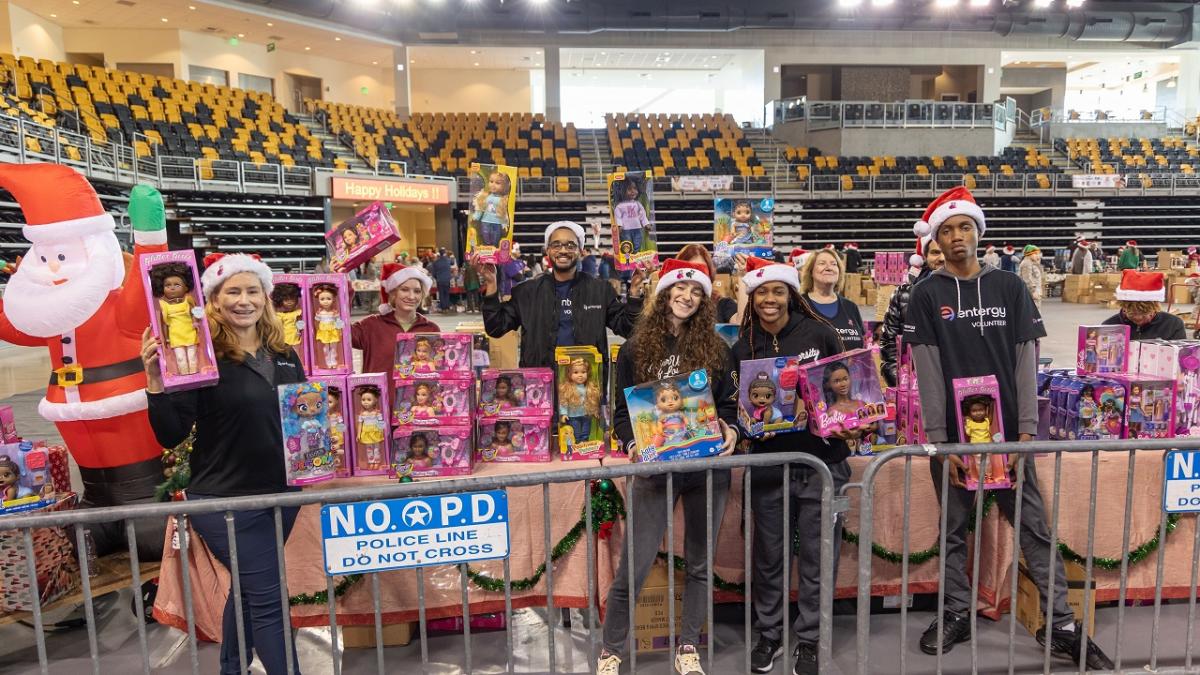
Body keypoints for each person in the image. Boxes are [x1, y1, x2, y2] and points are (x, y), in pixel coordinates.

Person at [904, 187, 1113, 669]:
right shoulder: (927, 295)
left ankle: (1060, 623)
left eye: (965, 227)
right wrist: (942, 442)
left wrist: (1023, 434)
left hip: (1008, 439)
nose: (957, 237)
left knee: (1033, 528)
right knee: (954, 528)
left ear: (979, 232)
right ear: (936, 237)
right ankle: (957, 611)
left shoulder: (1010, 287)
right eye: (947, 230)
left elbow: (1025, 361)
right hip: (957, 438)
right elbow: (927, 372)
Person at [142, 253, 306, 674]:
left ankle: (231, 668)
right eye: (232, 291)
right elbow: (171, 434)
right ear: (212, 299)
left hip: (283, 494)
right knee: (268, 597)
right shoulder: (202, 356)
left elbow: (301, 418)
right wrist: (156, 383)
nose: (244, 300)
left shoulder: (285, 353)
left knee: (249, 591)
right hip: (225, 499)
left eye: (253, 291)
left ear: (266, 298)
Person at [597, 259, 740, 675]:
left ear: (704, 300)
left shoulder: (717, 349)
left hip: (705, 470)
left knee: (700, 565)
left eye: (696, 291)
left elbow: (729, 405)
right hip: (655, 471)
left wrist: (730, 430)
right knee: (634, 566)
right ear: (663, 295)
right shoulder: (636, 348)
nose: (687, 297)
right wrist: (630, 443)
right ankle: (611, 649)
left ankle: (688, 645)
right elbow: (622, 412)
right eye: (680, 289)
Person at [734, 257, 856, 675]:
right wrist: (744, 427)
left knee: (820, 556)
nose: (770, 299)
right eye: (762, 292)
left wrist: (848, 420)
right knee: (769, 557)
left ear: (791, 294)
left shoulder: (820, 332)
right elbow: (734, 408)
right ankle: (768, 634)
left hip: (824, 462)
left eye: (778, 291)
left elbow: (846, 386)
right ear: (752, 297)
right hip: (770, 466)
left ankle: (810, 639)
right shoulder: (743, 346)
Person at [481, 221, 644, 369]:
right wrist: (491, 284)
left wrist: (635, 292)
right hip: (540, 391)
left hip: (587, 388)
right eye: (556, 245)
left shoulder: (600, 291)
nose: (563, 250)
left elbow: (629, 329)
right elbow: (496, 327)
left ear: (580, 251)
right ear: (548, 250)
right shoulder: (526, 292)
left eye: (570, 245)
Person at [880, 236, 944, 386]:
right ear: (925, 257)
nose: (942, 258)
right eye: (935, 252)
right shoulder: (902, 294)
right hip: (911, 388)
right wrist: (901, 384)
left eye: (945, 252)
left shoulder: (969, 294)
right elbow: (889, 346)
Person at [350, 263, 438, 374]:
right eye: (404, 289)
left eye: (417, 291)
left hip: (419, 391)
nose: (411, 296)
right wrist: (341, 283)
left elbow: (437, 369)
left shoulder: (431, 329)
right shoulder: (371, 325)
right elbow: (338, 331)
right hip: (378, 391)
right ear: (393, 293)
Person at [800, 247, 865, 350]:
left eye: (834, 264)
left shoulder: (851, 307)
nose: (829, 268)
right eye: (822, 263)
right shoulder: (798, 305)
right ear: (810, 271)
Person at [1101, 270, 1187, 340]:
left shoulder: (1173, 324)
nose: (1138, 317)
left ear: (1155, 309)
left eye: (1144, 313)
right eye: (1132, 313)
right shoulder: (1108, 326)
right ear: (1123, 308)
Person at [677, 243, 742, 323]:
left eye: (701, 271)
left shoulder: (722, 305)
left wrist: (743, 275)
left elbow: (740, 324)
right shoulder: (670, 306)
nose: (695, 276)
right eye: (689, 269)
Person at [1018, 244, 1044, 309]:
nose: (1037, 256)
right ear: (1029, 254)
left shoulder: (1032, 262)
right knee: (1033, 312)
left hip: (1036, 291)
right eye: (1035, 254)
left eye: (1038, 254)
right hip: (1030, 293)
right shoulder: (1026, 263)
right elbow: (1027, 279)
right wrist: (1033, 291)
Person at [430, 248, 454, 313]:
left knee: (441, 294)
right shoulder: (448, 260)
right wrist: (451, 256)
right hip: (447, 280)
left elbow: (434, 273)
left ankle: (443, 308)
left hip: (439, 280)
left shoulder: (435, 262)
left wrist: (437, 278)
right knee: (446, 294)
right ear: (444, 253)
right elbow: (453, 262)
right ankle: (447, 307)